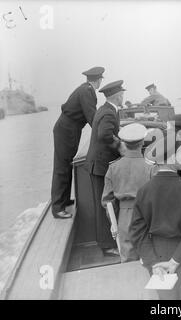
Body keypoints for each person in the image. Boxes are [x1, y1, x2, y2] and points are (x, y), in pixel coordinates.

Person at [131, 132, 181, 300]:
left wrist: (152, 263)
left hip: (158, 256)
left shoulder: (144, 191)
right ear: (171, 158)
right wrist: (175, 261)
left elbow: (137, 233)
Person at [51, 66, 104, 219]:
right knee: (61, 167)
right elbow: (92, 117)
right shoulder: (87, 91)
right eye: (100, 80)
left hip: (69, 129)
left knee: (66, 165)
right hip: (67, 129)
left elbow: (92, 116)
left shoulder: (84, 89)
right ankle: (57, 208)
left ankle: (64, 200)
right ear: (99, 80)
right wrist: (103, 132)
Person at [101, 123, 153, 262]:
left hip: (124, 219)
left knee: (128, 261)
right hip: (147, 217)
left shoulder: (113, 168)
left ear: (123, 143)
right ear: (142, 142)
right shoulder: (151, 168)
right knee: (151, 260)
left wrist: (114, 222)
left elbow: (108, 201)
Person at [86, 80, 126, 256]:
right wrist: (121, 147)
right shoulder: (109, 113)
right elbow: (104, 134)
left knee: (105, 204)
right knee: (106, 205)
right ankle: (107, 245)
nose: (123, 97)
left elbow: (108, 131)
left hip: (98, 164)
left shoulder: (106, 109)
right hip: (101, 166)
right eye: (122, 94)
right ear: (117, 96)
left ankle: (108, 242)